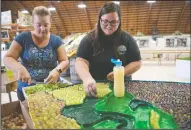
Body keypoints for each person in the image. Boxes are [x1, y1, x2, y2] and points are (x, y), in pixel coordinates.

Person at [3, 6, 69, 101]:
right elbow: (7, 58)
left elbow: (64, 61)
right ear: (33, 23)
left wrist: (57, 71)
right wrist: (20, 68)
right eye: (39, 25)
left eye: (46, 25)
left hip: (52, 88)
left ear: (50, 23)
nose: (42, 29)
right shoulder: (23, 38)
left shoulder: (56, 40)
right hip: (27, 88)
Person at [75, 2, 141, 97]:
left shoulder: (127, 39)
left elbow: (137, 62)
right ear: (100, 20)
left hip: (123, 86)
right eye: (105, 21)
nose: (109, 26)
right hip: (96, 87)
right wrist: (87, 79)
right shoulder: (89, 39)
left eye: (113, 22)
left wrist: (121, 72)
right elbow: (80, 61)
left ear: (119, 21)